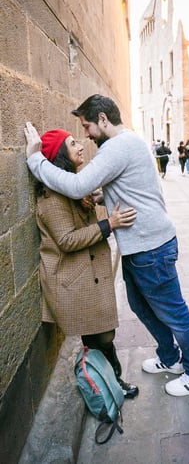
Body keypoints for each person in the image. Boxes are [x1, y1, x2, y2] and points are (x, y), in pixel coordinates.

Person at [24, 95, 189, 397]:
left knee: (173, 311)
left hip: (151, 247)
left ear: (102, 119)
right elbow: (125, 185)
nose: (85, 135)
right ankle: (170, 357)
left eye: (86, 126)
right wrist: (105, 197)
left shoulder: (116, 147)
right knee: (141, 306)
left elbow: (75, 186)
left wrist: (36, 159)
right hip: (141, 246)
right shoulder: (127, 143)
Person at [32, 128, 138, 399]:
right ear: (59, 156)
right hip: (74, 280)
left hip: (87, 275)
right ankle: (109, 384)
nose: (80, 146)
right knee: (99, 336)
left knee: (102, 335)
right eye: (72, 143)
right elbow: (66, 240)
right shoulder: (52, 197)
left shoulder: (69, 186)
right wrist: (108, 224)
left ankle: (109, 384)